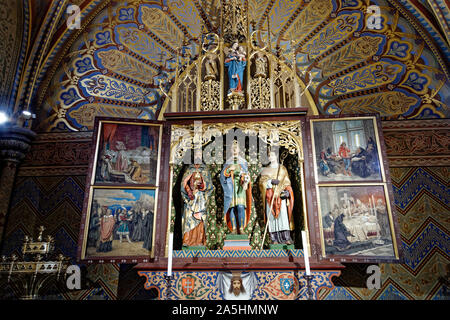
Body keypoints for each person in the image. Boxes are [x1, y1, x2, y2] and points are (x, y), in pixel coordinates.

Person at [259, 151, 294, 244]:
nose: (270, 157)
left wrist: (287, 191)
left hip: (280, 195)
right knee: (271, 217)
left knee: (283, 216)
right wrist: (270, 182)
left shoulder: (282, 169)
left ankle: (286, 238)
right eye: (269, 155)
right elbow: (261, 182)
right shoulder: (265, 170)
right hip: (270, 196)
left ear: (276, 156)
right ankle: (273, 239)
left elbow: (287, 182)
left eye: (272, 155)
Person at [220, 141, 252, 235]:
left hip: (240, 187)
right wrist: (229, 169)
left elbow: (246, 174)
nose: (234, 150)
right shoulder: (228, 162)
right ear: (230, 150)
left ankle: (241, 228)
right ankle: (233, 229)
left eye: (236, 148)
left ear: (239, 149)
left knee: (240, 207)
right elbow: (222, 176)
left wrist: (245, 178)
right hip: (230, 187)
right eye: (232, 148)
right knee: (232, 207)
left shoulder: (243, 162)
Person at [181, 160, 213, 247]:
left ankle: (199, 241)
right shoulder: (189, 169)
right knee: (188, 216)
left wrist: (202, 186)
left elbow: (209, 186)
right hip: (191, 197)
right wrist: (188, 191)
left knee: (200, 218)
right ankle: (187, 240)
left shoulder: (205, 169)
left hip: (201, 198)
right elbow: (184, 183)